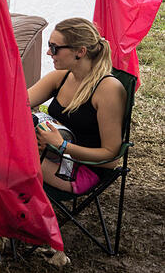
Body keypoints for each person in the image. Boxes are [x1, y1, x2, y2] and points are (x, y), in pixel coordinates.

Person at [27, 17, 126, 193]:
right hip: (52, 155)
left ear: (80, 51)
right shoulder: (61, 77)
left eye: (54, 48)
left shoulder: (108, 89)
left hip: (81, 169)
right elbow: (17, 104)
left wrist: (62, 146)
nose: (49, 53)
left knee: (7, 157)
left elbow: (111, 158)